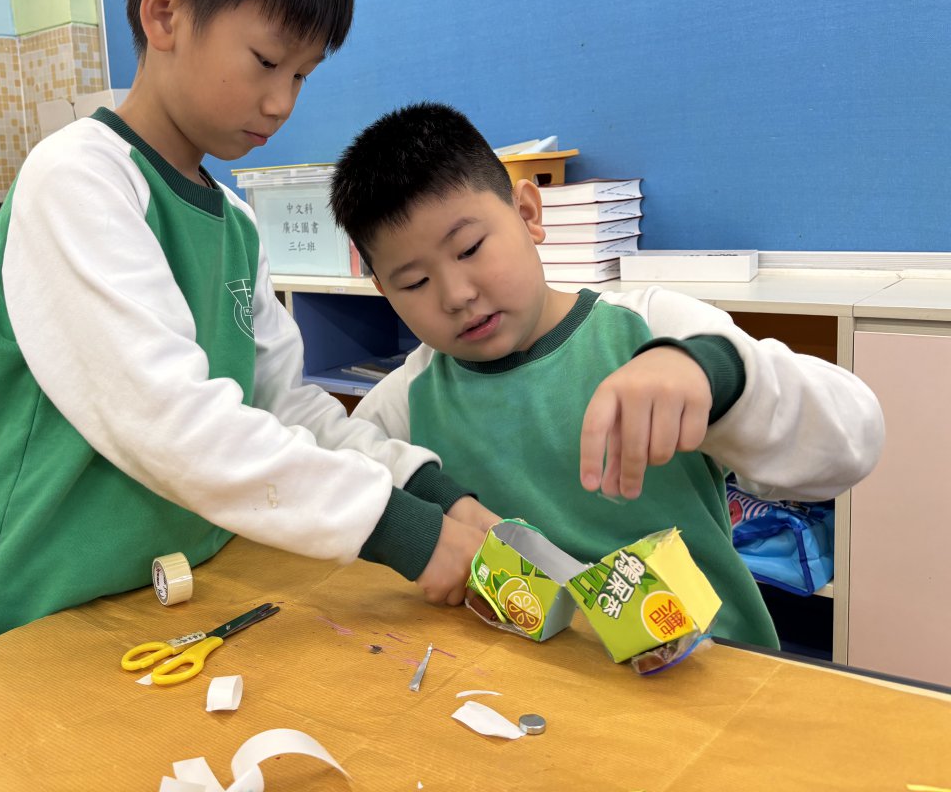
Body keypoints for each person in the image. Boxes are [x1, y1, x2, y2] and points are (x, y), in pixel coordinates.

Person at [0, 0, 497, 657]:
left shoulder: (233, 221)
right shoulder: (77, 178)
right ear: (165, 12)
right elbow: (167, 420)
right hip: (35, 620)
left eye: (302, 75)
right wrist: (396, 529)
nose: (282, 102)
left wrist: (423, 487)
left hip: (169, 608)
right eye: (266, 61)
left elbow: (284, 408)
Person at [329, 102, 884, 646]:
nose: (456, 295)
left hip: (708, 667)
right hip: (524, 680)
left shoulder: (653, 330)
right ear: (383, 290)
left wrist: (717, 375)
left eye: (470, 248)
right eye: (414, 283)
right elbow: (326, 478)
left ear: (528, 213)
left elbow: (852, 444)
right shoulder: (406, 399)